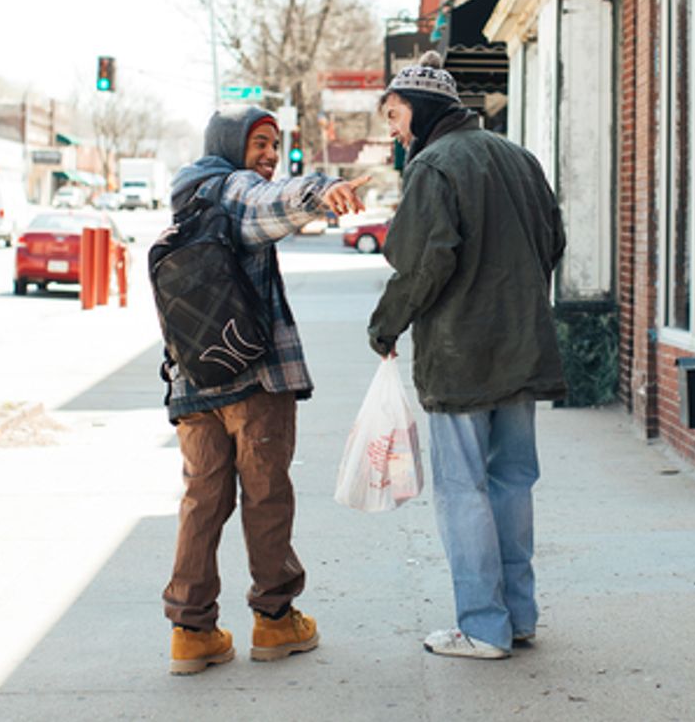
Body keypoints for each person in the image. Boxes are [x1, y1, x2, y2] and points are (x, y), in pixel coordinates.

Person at [367, 52, 567, 660]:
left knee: (462, 488)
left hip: (460, 355)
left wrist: (385, 325)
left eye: (397, 116)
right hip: (522, 347)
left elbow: (424, 260)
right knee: (512, 481)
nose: (394, 131)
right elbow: (553, 241)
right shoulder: (519, 157)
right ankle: (518, 617)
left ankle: (482, 626)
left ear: (422, 112)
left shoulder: (433, 166)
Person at [163, 105, 367, 675]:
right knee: (266, 496)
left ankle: (190, 630)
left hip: (194, 379)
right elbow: (266, 204)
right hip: (253, 380)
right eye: (258, 143)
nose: (269, 155)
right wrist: (323, 191)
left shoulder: (187, 194)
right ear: (231, 145)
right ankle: (275, 621)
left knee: (202, 500)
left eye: (274, 144)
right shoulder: (236, 190)